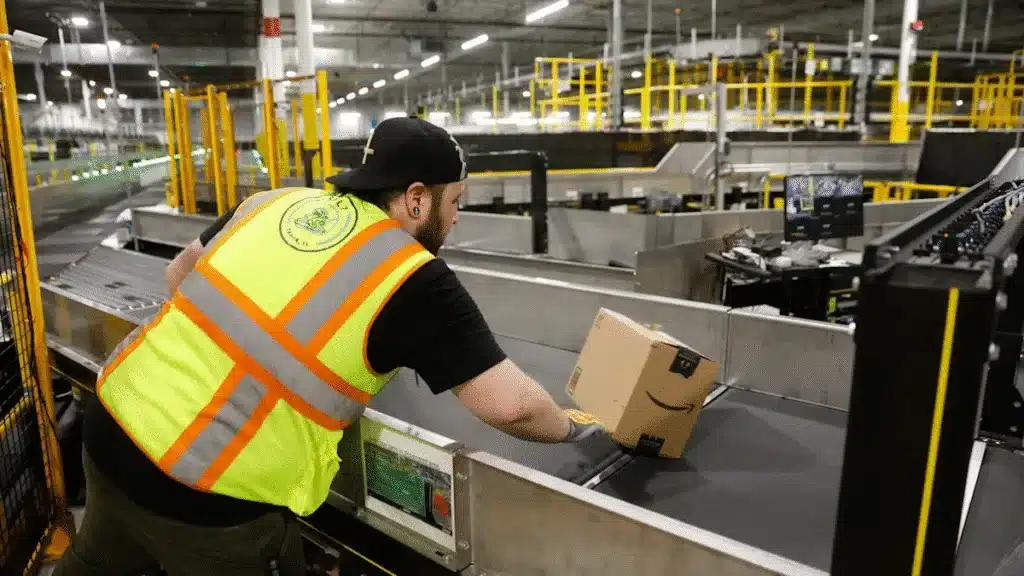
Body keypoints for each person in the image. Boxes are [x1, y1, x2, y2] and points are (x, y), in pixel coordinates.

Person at [55, 117, 605, 576]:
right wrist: (576, 428)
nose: (458, 218)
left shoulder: (272, 202)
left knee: (95, 564)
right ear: (417, 199)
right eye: (454, 201)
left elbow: (180, 274)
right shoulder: (413, 276)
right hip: (206, 495)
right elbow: (511, 406)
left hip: (112, 426)